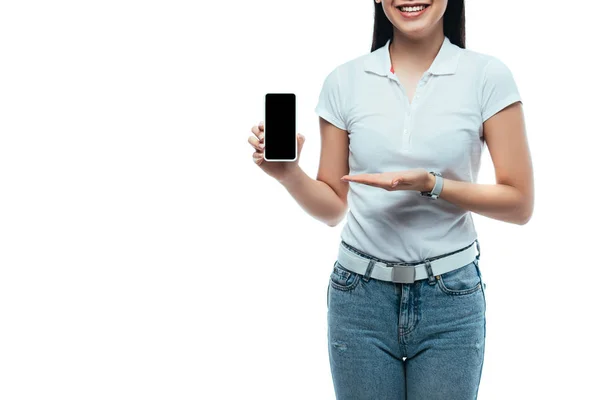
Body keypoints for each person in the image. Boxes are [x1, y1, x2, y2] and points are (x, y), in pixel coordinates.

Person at [247, 0, 534, 398]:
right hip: (359, 299)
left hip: (450, 299)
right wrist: (288, 173)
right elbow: (333, 207)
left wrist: (431, 184)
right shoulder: (344, 81)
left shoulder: (487, 76)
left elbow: (520, 204)